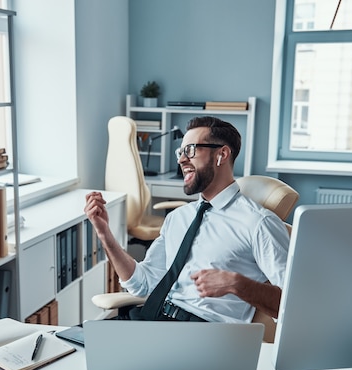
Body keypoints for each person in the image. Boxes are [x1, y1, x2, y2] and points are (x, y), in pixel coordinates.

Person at [84, 116, 289, 323]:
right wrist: (104, 234)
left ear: (222, 154)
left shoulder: (258, 223)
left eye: (190, 150)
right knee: (72, 341)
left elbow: (292, 305)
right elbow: (141, 283)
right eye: (180, 152)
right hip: (153, 317)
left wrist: (237, 284)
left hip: (202, 334)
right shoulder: (178, 218)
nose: (181, 160)